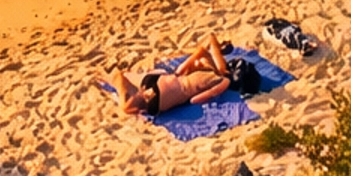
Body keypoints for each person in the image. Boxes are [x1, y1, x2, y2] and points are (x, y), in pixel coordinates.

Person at [104, 33, 246, 119]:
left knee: (129, 94)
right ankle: (121, 85)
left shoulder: (220, 72)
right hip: (166, 90)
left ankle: (119, 82)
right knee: (131, 100)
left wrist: (214, 49)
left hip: (163, 83)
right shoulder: (216, 77)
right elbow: (196, 99)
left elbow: (208, 40)